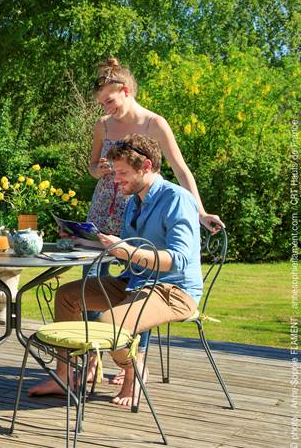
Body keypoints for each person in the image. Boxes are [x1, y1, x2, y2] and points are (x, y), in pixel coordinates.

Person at [28, 134, 202, 406]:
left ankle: (134, 371)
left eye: (122, 172)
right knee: (66, 296)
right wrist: (81, 239)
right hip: (133, 281)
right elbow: (121, 248)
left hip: (174, 291)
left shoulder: (176, 199)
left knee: (108, 324)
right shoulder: (135, 201)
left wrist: (127, 251)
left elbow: (178, 259)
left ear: (145, 166)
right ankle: (67, 376)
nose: (116, 179)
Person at [83, 56, 223, 384]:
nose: (107, 107)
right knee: (92, 274)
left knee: (141, 278)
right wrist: (98, 170)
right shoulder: (103, 125)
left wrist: (199, 212)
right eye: (102, 103)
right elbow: (92, 166)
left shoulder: (153, 124)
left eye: (110, 101)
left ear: (127, 90)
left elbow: (179, 168)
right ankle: (93, 358)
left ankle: (133, 363)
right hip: (107, 206)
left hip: (142, 205)